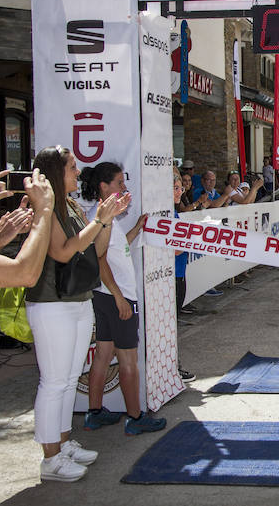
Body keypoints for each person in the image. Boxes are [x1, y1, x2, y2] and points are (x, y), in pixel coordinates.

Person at [25, 146, 129, 482]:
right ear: (56, 172)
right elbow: (64, 251)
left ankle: (63, 443)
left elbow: (94, 249)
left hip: (78, 298)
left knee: (69, 380)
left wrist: (107, 221)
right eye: (72, 167)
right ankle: (50, 457)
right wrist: (99, 219)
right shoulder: (48, 207)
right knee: (54, 382)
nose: (77, 172)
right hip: (51, 302)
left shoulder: (69, 205)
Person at [79, 162, 166, 436]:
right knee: (128, 361)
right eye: (119, 183)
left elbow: (114, 250)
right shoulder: (100, 218)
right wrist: (120, 298)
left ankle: (94, 412)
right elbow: (99, 259)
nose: (124, 188)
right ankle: (135, 417)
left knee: (103, 356)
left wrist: (137, 228)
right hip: (118, 298)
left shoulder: (102, 218)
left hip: (106, 297)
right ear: (103, 187)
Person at [172, 172, 196, 382]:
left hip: (179, 274)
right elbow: (174, 249)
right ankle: (173, 368)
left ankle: (173, 366)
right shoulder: (167, 213)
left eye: (181, 187)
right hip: (171, 276)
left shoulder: (172, 211)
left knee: (174, 322)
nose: (180, 191)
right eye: (176, 188)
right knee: (171, 324)